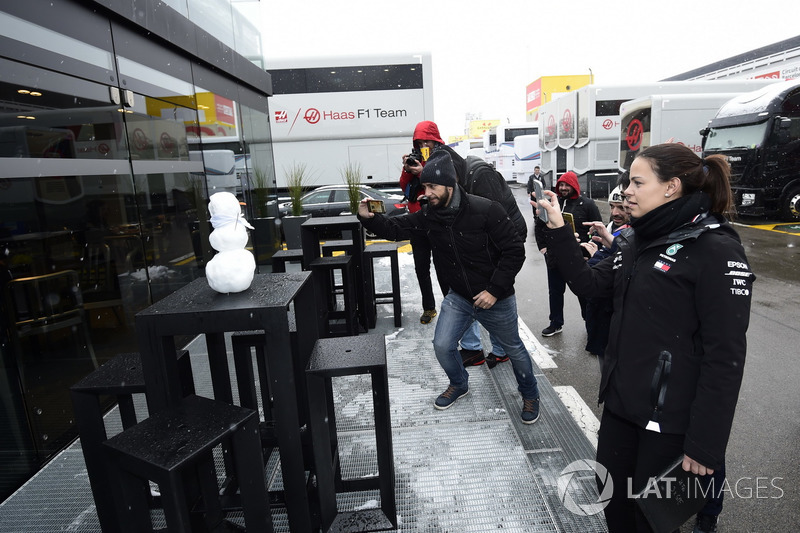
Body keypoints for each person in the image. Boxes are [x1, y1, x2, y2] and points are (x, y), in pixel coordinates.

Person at [533, 143, 754, 532]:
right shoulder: (636, 239)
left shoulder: (717, 249)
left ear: (671, 187)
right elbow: (589, 283)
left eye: (637, 182)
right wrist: (556, 228)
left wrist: (705, 444)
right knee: (613, 508)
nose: (625, 192)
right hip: (620, 406)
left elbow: (726, 356)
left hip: (669, 422)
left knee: (649, 521)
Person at [358, 149, 541, 423]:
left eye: (432, 186)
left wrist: (493, 290)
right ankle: (460, 383)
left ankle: (530, 394)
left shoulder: (486, 209)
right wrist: (369, 218)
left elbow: (515, 251)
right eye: (424, 186)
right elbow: (397, 229)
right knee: (443, 345)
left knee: (514, 348)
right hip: (460, 298)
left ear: (449, 185)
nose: (427, 192)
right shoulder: (430, 215)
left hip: (496, 297)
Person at [533, 170, 601, 337]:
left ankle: (590, 323)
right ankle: (555, 323)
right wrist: (543, 247)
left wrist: (590, 249)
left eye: (566, 185)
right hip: (554, 256)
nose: (563, 188)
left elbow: (597, 228)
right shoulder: (553, 204)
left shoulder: (587, 204)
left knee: (584, 292)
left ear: (574, 186)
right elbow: (539, 225)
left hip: (579, 257)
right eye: (561, 185)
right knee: (555, 292)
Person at [581, 181, 631, 358]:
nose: (615, 213)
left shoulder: (632, 235)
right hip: (599, 312)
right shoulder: (610, 229)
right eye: (611, 206)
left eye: (621, 207)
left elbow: (587, 278)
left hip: (612, 313)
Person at [399, 121, 442, 325]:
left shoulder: (443, 157)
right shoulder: (414, 159)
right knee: (421, 268)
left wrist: (422, 171)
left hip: (439, 221)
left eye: (426, 140)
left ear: (434, 140)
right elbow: (404, 187)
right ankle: (429, 307)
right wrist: (408, 169)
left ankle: (453, 306)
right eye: (419, 141)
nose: (423, 144)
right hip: (418, 222)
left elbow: (443, 184)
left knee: (445, 267)